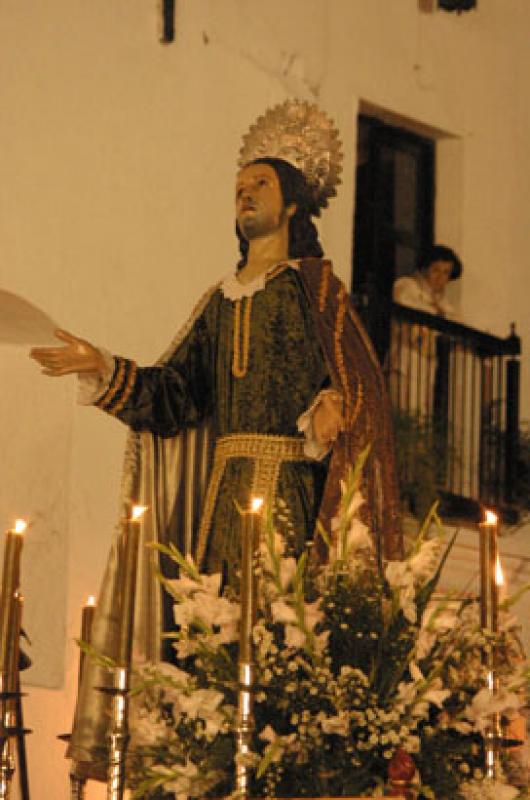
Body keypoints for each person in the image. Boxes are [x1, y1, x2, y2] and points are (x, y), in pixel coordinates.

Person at [30, 100, 402, 778]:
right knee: (207, 636)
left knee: (282, 633)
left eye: (259, 184)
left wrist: (332, 408)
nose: (245, 195)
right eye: (238, 188)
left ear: (292, 203)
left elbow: (355, 384)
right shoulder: (218, 301)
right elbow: (175, 396)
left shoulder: (316, 291)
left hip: (291, 493)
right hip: (219, 501)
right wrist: (102, 367)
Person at [390, 245, 463, 416]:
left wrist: (439, 311)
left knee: (423, 420)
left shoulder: (443, 302)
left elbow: (457, 323)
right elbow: (412, 307)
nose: (440, 278)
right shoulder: (407, 286)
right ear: (424, 269)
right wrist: (437, 312)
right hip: (405, 365)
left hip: (427, 368)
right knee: (406, 418)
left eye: (446, 273)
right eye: (436, 270)